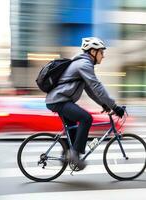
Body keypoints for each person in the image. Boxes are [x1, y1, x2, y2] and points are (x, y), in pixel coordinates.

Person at [46, 37, 125, 170]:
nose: (103, 56)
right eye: (101, 52)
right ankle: (74, 156)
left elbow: (91, 91)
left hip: (60, 100)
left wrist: (104, 105)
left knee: (74, 129)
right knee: (86, 118)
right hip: (59, 101)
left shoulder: (83, 64)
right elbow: (97, 87)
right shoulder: (84, 64)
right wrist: (114, 107)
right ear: (93, 52)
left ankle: (68, 151)